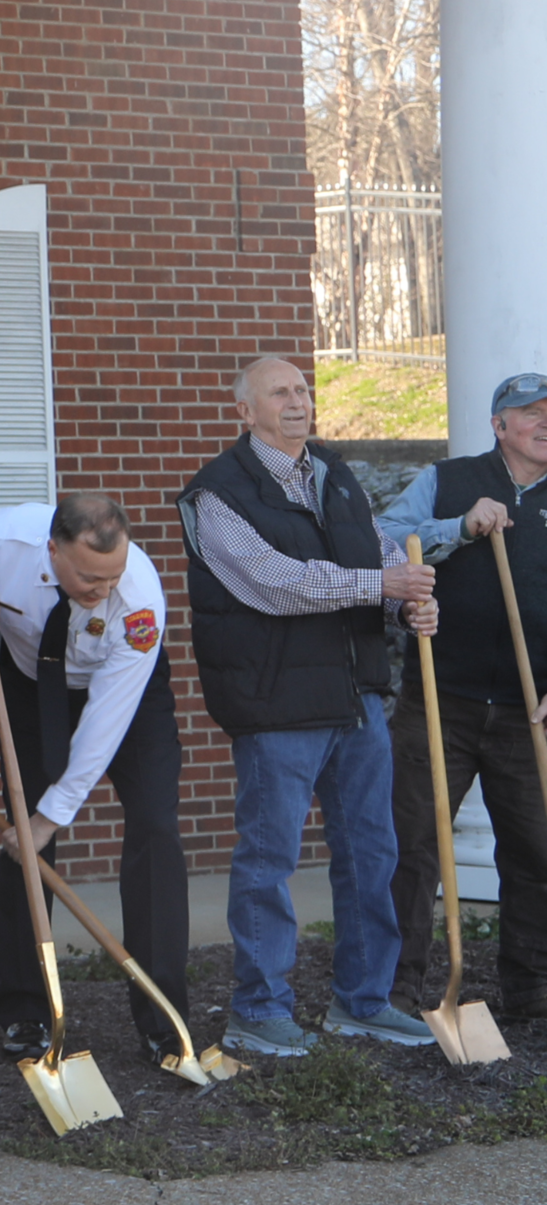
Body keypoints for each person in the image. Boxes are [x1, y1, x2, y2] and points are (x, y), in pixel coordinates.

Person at [176, 354, 436, 1059]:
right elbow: (275, 583)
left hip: (356, 699)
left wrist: (410, 595)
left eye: (303, 389)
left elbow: (380, 553)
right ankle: (258, 1009)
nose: (297, 401)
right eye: (279, 392)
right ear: (245, 411)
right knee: (269, 858)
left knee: (372, 853)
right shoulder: (216, 494)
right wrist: (379, 583)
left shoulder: (334, 474)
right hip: (276, 703)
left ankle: (365, 1001)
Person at [0, 493, 189, 1065]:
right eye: (87, 576)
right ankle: (25, 1012)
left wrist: (51, 817)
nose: (101, 589)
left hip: (123, 688)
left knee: (156, 825)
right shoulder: (3, 540)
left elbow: (103, 727)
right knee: (22, 839)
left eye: (111, 577)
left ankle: (162, 1017)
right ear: (53, 549)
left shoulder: (138, 601)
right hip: (33, 682)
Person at [373, 369, 547, 1026]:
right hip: (439, 701)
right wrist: (458, 526)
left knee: (536, 850)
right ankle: (398, 991)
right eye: (531, 413)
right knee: (411, 847)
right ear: (500, 425)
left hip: (530, 711)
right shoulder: (447, 480)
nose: (544, 423)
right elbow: (383, 543)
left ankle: (532, 992)